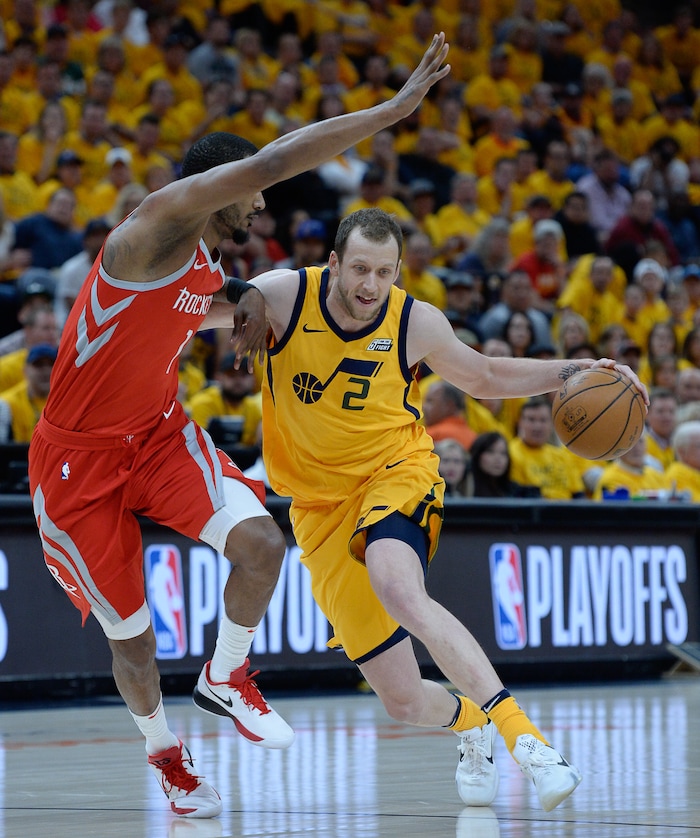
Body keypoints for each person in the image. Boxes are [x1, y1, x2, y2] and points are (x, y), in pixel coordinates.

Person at [27, 35, 452, 821]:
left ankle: (226, 676)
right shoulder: (153, 226)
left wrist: (248, 300)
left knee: (262, 544)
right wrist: (392, 112)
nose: (259, 206)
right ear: (213, 186)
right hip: (76, 462)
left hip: (157, 433)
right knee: (133, 641)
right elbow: (271, 164)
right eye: (248, 195)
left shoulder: (206, 266)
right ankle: (167, 756)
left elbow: (210, 307)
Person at [247, 208, 646, 812]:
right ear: (333, 263)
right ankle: (469, 723)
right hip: (316, 508)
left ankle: (527, 742)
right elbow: (190, 312)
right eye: (359, 268)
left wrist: (577, 372)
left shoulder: (414, 321)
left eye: (384, 272)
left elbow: (482, 375)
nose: (370, 285)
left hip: (395, 472)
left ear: (398, 271)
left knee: (399, 589)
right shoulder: (282, 297)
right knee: (403, 702)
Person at [465, 431, 541, 498]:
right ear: (477, 455)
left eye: (503, 453)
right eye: (490, 451)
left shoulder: (517, 493)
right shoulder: (464, 489)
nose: (498, 459)